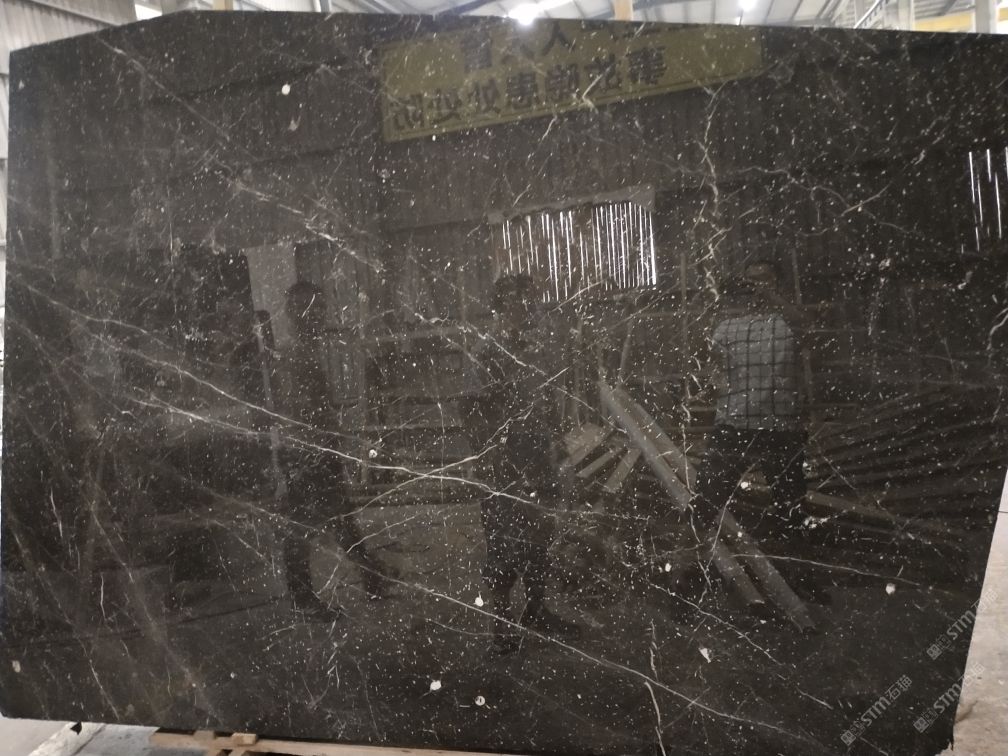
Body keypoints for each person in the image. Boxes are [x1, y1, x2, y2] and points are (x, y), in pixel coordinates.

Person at [461, 274, 580, 654]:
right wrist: (493, 462)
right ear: (501, 306)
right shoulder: (486, 351)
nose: (528, 309)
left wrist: (557, 445)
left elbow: (544, 402)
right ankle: (501, 626)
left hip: (537, 455)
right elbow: (473, 411)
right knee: (503, 542)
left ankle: (537, 610)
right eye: (519, 301)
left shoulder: (532, 349)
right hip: (504, 462)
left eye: (531, 301)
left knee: (540, 535)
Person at [278, 280, 388, 620]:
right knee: (305, 523)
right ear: (295, 313)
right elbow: (299, 408)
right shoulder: (296, 354)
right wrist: (323, 434)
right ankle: (305, 598)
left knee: (339, 515)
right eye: (309, 309)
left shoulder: (305, 350)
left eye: (319, 308)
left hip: (314, 447)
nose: (317, 316)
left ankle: (371, 576)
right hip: (306, 449)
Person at [691, 259, 811, 545]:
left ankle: (794, 558)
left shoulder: (787, 324)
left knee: (790, 506)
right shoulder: (726, 328)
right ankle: (692, 551)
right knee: (706, 497)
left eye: (763, 278)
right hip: (735, 424)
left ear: (777, 284)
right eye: (751, 280)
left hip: (781, 427)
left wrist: (770, 294)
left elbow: (807, 327)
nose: (755, 286)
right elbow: (707, 361)